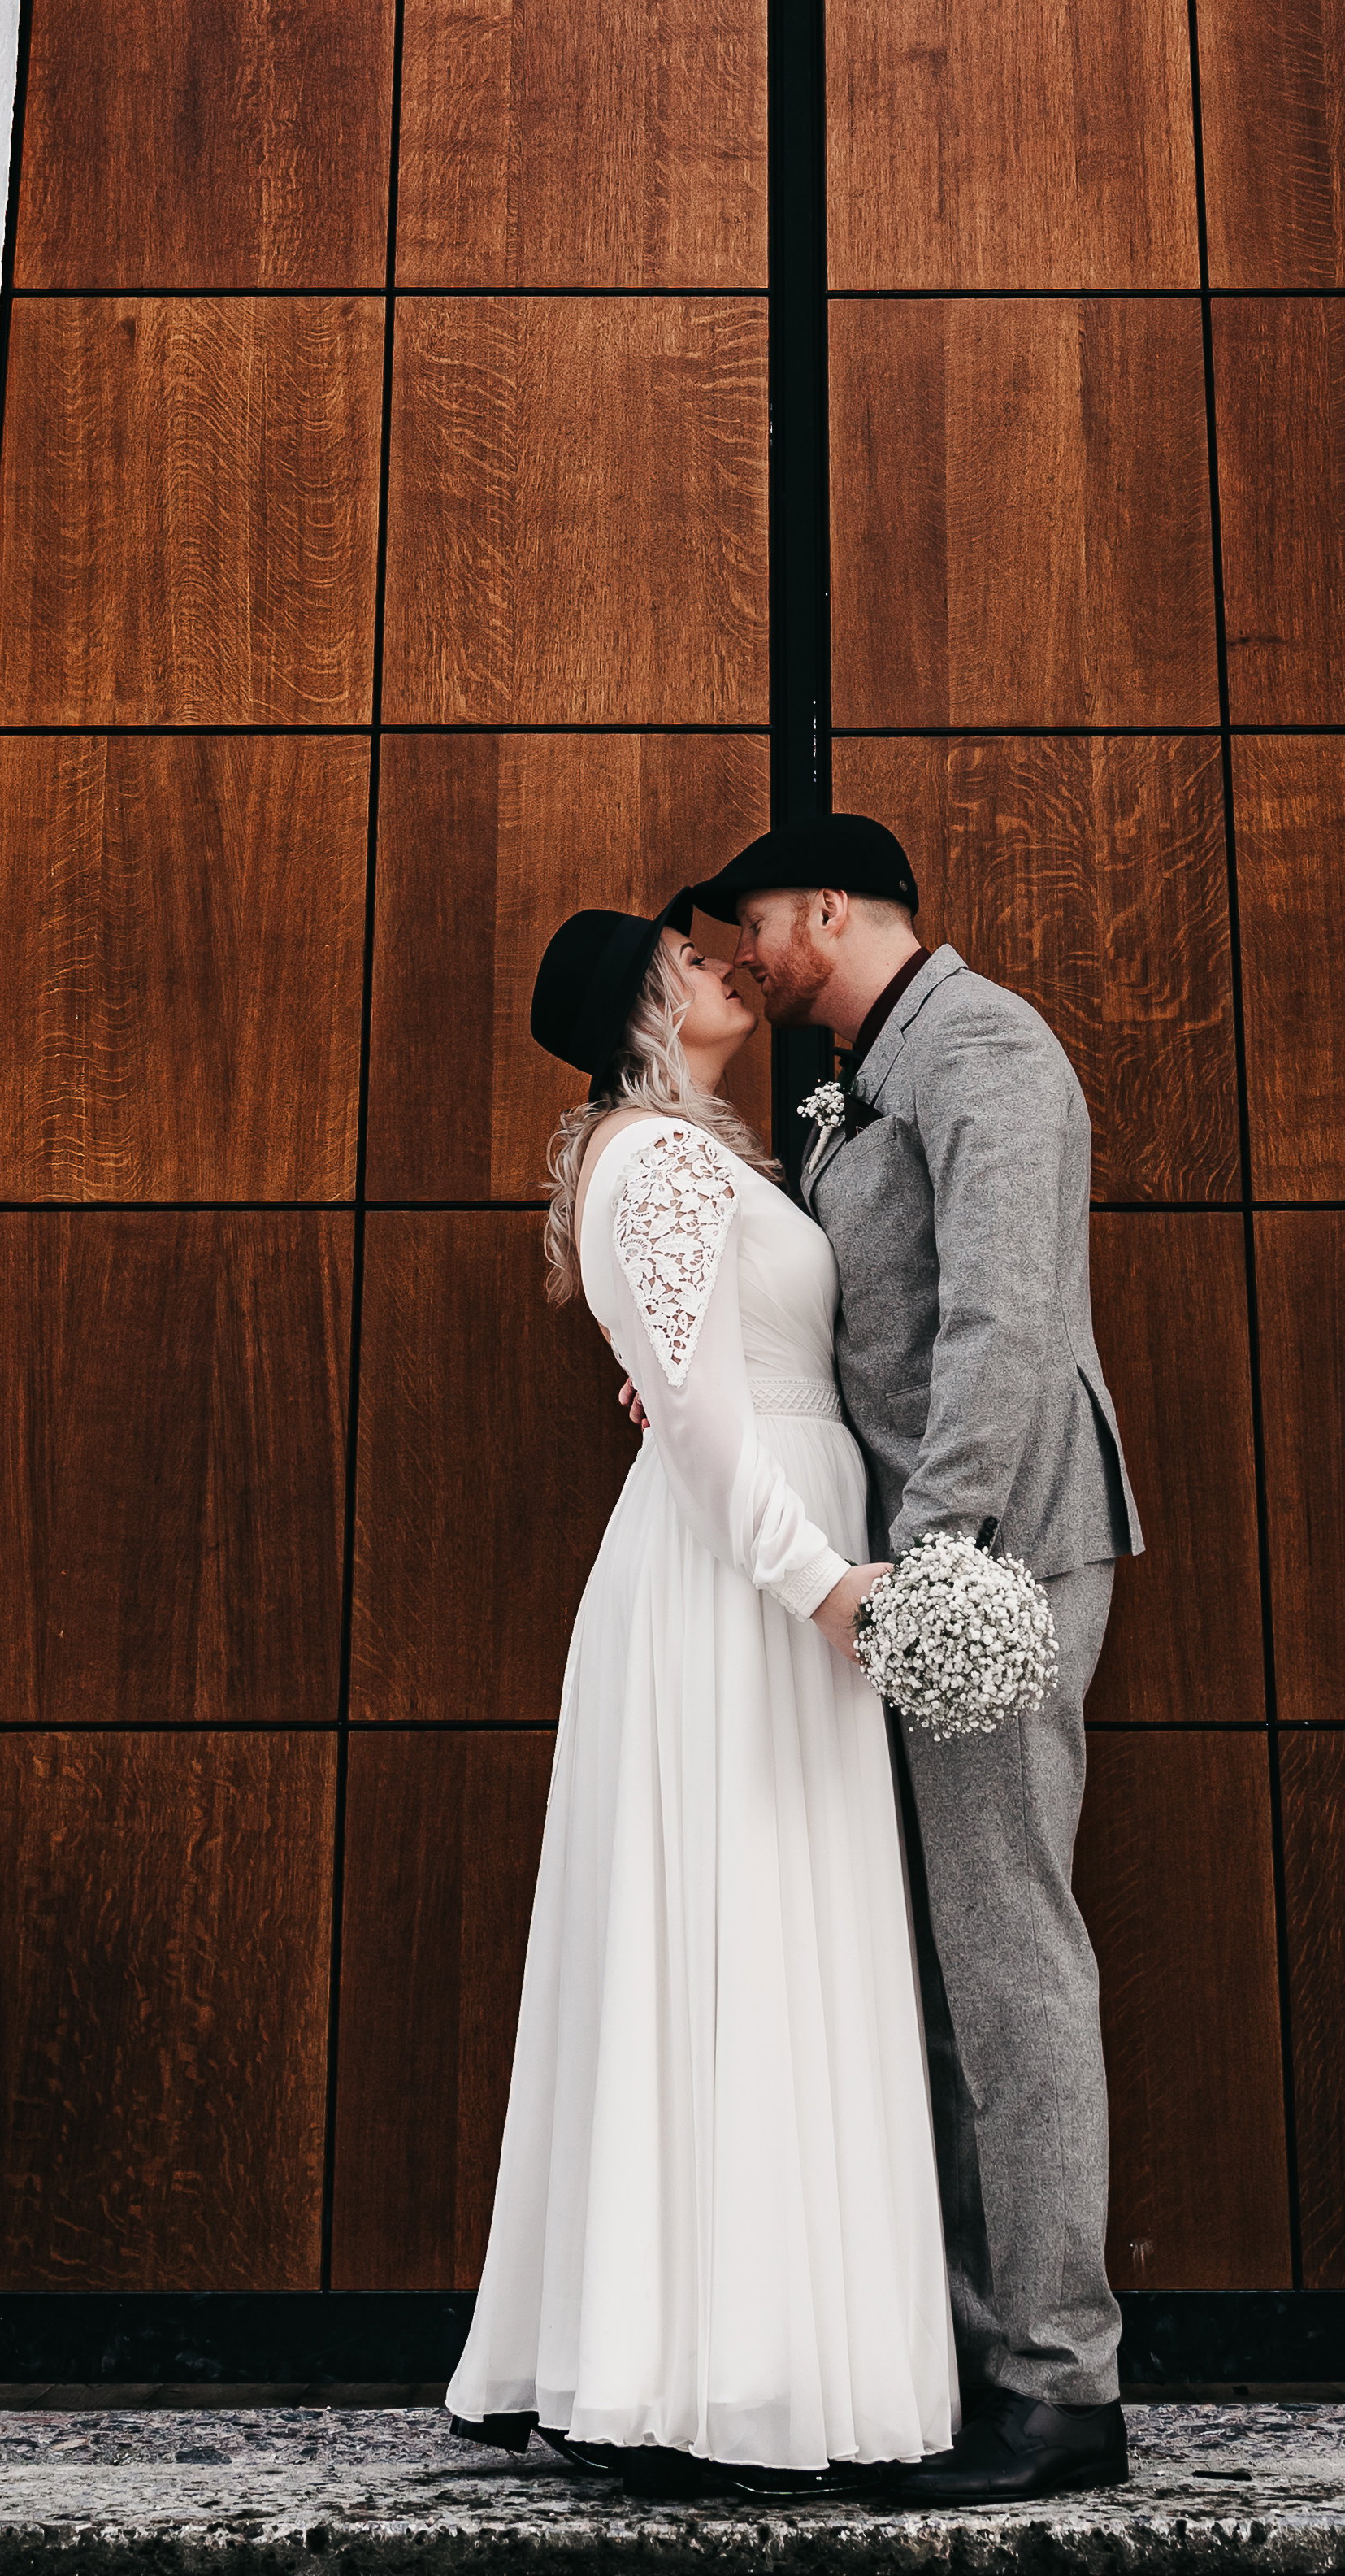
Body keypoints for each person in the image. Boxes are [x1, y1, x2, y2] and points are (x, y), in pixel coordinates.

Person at [442, 907, 953, 2495]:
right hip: (737, 1588)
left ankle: (780, 2357)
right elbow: (697, 1414)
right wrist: (827, 1586)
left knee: (785, 1936)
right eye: (695, 956)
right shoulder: (648, 1161)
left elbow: (706, 1365)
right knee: (723, 1933)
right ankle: (698, 2366)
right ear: (640, 1001)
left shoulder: (697, 1158)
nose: (733, 964)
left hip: (773, 1562)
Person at [679, 813, 1142, 2509]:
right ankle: (945, 2346)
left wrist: (935, 1556)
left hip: (990, 1559)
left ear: (829, 908)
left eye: (757, 928)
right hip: (902, 1575)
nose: (746, 958)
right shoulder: (869, 1072)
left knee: (1007, 1956)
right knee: (932, 1963)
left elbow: (1006, 1316)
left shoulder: (987, 1043)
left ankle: (1059, 2382)